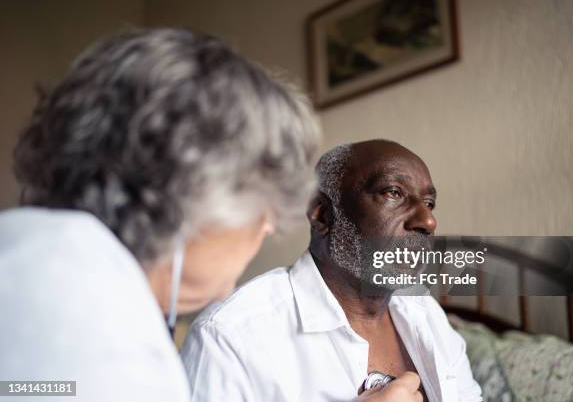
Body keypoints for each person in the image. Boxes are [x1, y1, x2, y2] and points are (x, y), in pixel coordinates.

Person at [0, 28, 320, 401]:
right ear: (206, 193)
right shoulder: (106, 339)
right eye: (266, 216)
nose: (266, 230)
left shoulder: (25, 247)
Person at [181, 140, 483, 402]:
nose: (428, 221)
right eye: (393, 192)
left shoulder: (425, 313)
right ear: (322, 214)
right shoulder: (231, 337)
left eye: (429, 203)